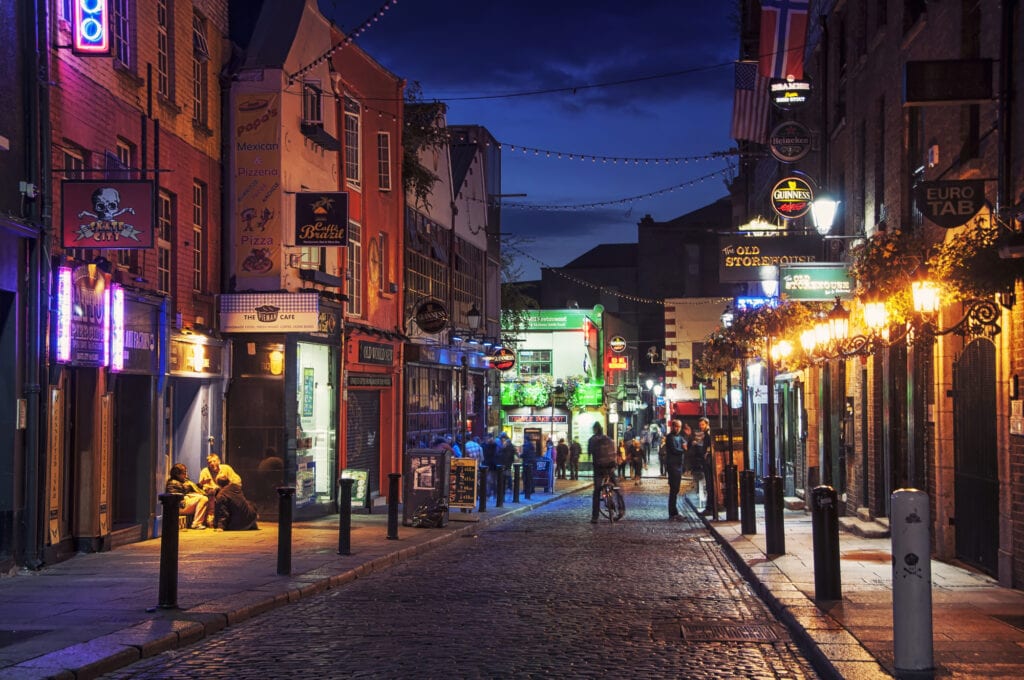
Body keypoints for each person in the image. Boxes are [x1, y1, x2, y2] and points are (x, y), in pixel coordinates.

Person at [588, 423, 620, 523]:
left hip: (598, 468)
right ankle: (621, 507)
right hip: (610, 467)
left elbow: (590, 452)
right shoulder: (608, 439)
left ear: (595, 429)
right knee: (616, 487)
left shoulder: (592, 440)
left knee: (597, 491)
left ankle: (595, 517)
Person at [165, 463, 211, 530]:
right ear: (177, 474)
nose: (186, 475)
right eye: (184, 473)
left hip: (182, 505)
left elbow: (190, 489)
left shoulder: (182, 481)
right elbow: (177, 499)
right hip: (179, 507)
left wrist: (200, 485)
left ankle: (205, 521)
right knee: (203, 499)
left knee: (202, 496)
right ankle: (197, 524)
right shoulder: (173, 483)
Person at [663, 419, 688, 521]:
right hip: (673, 466)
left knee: (675, 489)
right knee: (674, 489)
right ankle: (673, 513)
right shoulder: (669, 437)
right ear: (672, 426)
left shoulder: (680, 437)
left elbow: (686, 446)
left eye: (679, 426)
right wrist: (683, 449)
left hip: (678, 465)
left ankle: (674, 512)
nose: (677, 428)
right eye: (676, 426)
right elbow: (675, 450)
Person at [689, 416, 714, 517]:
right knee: (708, 485)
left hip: (708, 462)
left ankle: (710, 508)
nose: (701, 427)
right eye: (700, 425)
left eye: (702, 425)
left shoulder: (708, 434)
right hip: (706, 462)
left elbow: (709, 447)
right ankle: (710, 507)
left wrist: (706, 454)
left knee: (710, 485)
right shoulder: (706, 434)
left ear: (707, 424)